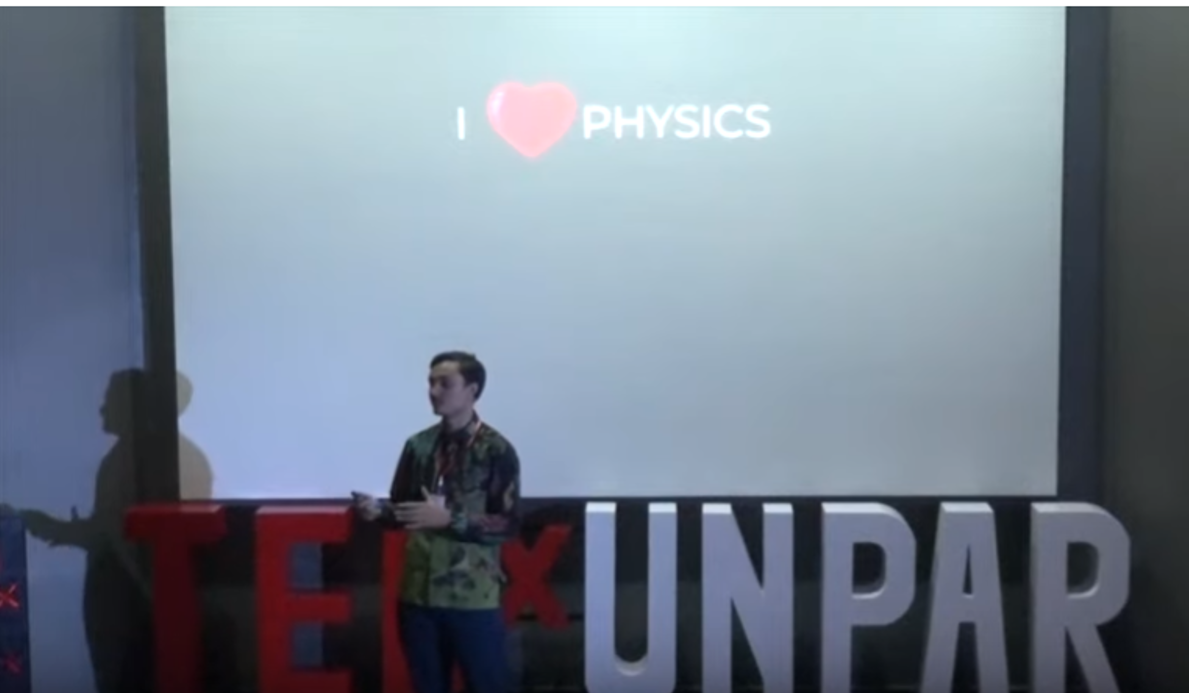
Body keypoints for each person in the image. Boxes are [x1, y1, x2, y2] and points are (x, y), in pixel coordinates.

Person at [353, 351, 520, 693]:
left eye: (445, 384)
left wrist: (449, 519)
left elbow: (507, 523)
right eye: (431, 383)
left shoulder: (496, 450)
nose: (434, 391)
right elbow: (403, 510)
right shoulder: (419, 446)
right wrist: (379, 511)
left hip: (472, 598)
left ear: (472, 390)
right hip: (418, 596)